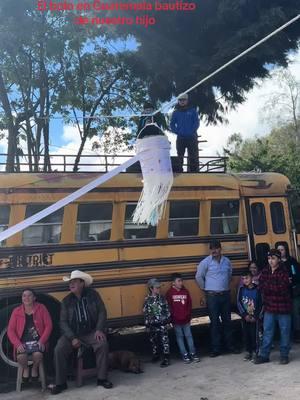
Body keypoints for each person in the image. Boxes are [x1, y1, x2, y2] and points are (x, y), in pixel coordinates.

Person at [50, 270, 112, 395]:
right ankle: (60, 383)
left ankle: (102, 379)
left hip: (90, 332)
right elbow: (62, 322)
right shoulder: (66, 301)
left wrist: (99, 329)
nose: (71, 284)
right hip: (72, 334)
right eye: (70, 282)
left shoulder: (93, 295)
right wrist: (72, 337)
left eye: (74, 282)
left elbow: (102, 312)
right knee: (59, 349)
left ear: (82, 283)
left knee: (102, 343)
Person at [195, 240, 236, 357]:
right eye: (211, 249)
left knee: (227, 321)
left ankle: (230, 346)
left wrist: (224, 286)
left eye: (216, 248)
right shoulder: (205, 262)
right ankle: (216, 349)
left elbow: (229, 275)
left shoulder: (227, 261)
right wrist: (206, 288)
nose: (214, 250)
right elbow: (198, 277)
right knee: (214, 323)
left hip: (225, 295)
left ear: (220, 249)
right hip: (212, 296)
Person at [254, 249, 292, 365]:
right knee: (267, 332)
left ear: (279, 259)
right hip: (269, 308)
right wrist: (272, 287)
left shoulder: (284, 271)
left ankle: (284, 355)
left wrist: (269, 287)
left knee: (284, 332)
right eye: (269, 258)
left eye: (273, 258)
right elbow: (261, 286)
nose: (270, 261)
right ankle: (264, 355)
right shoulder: (265, 271)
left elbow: (282, 288)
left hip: (283, 308)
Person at [7, 288, 53, 384]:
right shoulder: (16, 311)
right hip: (22, 343)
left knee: (38, 355)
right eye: (24, 296)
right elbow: (10, 330)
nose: (26, 298)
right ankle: (26, 369)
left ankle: (35, 368)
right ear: (22, 298)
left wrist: (42, 341)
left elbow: (49, 326)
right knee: (21, 357)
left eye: (29, 295)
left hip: (38, 343)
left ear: (34, 298)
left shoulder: (41, 308)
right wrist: (18, 344)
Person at [166, 273, 200, 363]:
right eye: (179, 281)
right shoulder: (169, 293)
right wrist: (173, 317)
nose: (181, 283)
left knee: (189, 336)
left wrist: (188, 315)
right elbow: (169, 307)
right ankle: (184, 354)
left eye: (181, 281)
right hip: (176, 320)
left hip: (186, 319)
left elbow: (189, 304)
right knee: (179, 337)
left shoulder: (185, 292)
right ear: (173, 283)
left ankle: (193, 353)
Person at [143, 278, 171, 368]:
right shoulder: (147, 299)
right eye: (157, 288)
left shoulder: (162, 298)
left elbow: (167, 310)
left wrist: (167, 321)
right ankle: (156, 355)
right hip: (153, 324)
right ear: (151, 288)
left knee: (165, 341)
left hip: (162, 323)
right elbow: (146, 313)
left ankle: (166, 358)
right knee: (154, 341)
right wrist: (147, 325)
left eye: (159, 287)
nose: (159, 289)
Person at [276, 242, 300, 342]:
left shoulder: (292, 261)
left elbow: (297, 275)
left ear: (286, 250)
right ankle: (285, 335)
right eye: (279, 250)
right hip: (281, 293)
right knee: (283, 315)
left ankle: (297, 334)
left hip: (293, 292)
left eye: (282, 249)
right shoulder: (275, 263)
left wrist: (291, 280)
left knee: (295, 313)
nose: (280, 252)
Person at [170, 93, 200, 172]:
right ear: (178, 101)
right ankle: (180, 171)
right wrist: (177, 132)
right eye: (180, 100)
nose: (182, 101)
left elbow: (196, 122)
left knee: (193, 155)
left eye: (184, 100)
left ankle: (194, 171)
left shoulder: (193, 111)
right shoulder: (175, 112)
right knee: (180, 155)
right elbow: (172, 124)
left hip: (191, 137)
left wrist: (192, 131)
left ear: (187, 100)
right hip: (180, 137)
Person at [237, 271, 262, 361]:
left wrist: (256, 316)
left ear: (252, 278)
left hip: (255, 318)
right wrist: (244, 315)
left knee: (254, 335)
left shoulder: (258, 289)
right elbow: (239, 302)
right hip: (245, 317)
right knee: (246, 334)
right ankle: (248, 352)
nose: (245, 280)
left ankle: (256, 352)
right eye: (243, 279)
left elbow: (261, 304)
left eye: (247, 278)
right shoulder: (241, 289)